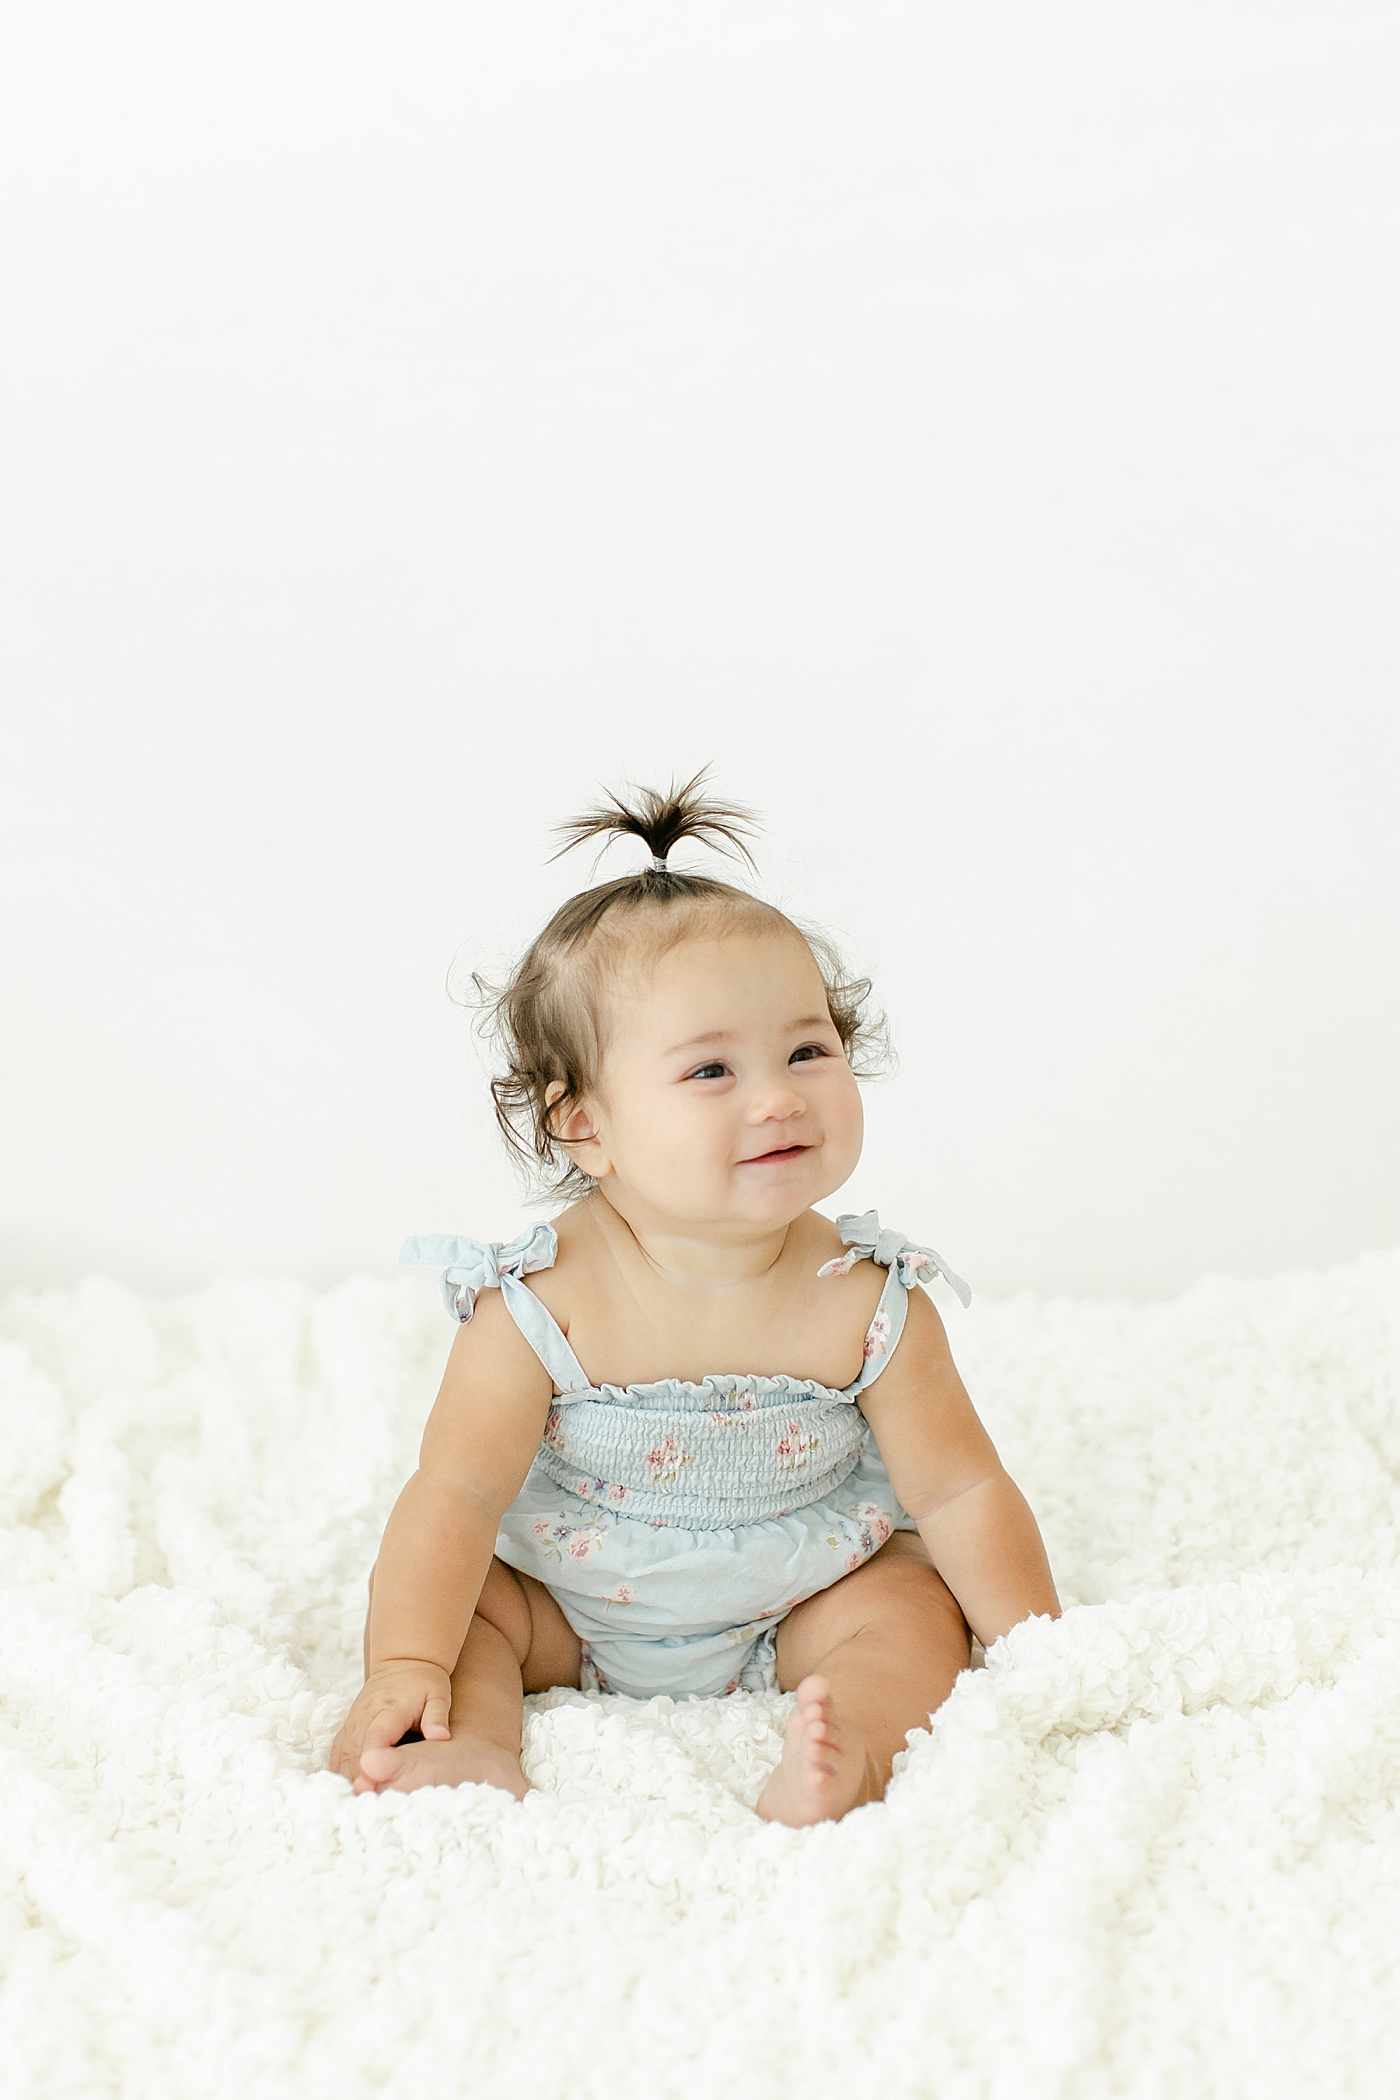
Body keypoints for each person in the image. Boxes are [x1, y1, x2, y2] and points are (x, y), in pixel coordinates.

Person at [330, 774, 1059, 1825]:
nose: (778, 1095)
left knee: (912, 1610)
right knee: (474, 1611)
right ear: (582, 1123)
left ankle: (848, 1746)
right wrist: (402, 1659)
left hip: (799, 1596)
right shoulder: (534, 1304)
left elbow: (957, 1493)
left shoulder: (868, 1300)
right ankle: (474, 1742)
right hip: (569, 1608)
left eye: (807, 1050)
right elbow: (454, 1495)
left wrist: (1040, 1647)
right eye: (711, 1070)